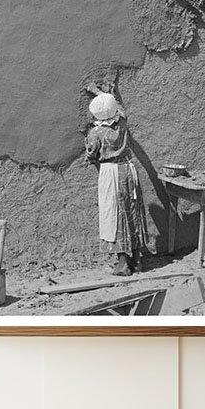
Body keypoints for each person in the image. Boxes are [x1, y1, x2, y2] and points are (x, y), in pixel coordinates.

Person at [83, 88, 148, 276]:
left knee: (114, 215)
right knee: (133, 212)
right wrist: (101, 92)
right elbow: (120, 109)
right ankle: (137, 260)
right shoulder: (122, 124)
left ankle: (122, 263)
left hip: (110, 172)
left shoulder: (96, 133)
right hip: (128, 170)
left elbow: (91, 155)